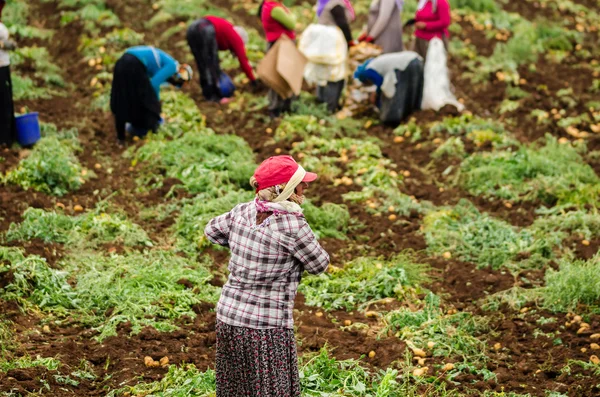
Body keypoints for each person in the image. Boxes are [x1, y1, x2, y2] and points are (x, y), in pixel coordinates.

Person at [205, 155, 329, 397]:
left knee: (236, 389)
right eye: (300, 183)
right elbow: (319, 264)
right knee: (271, 390)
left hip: (229, 318)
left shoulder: (241, 211)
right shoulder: (293, 226)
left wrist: (243, 247)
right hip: (266, 326)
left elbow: (211, 231)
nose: (306, 187)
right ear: (282, 189)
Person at [110, 46, 192, 145]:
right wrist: (156, 105)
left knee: (122, 97)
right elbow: (154, 84)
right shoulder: (172, 66)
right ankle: (150, 128)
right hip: (135, 64)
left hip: (122, 61)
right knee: (147, 100)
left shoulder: (165, 61)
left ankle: (121, 138)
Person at [187, 16, 256, 103]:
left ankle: (208, 94)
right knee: (211, 64)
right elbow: (243, 60)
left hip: (192, 29)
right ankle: (216, 97)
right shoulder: (236, 36)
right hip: (206, 30)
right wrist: (253, 79)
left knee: (202, 64)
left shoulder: (227, 29)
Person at [354, 51, 424, 125]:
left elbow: (380, 85)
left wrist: (376, 97)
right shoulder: (375, 63)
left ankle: (396, 119)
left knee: (401, 93)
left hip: (406, 65)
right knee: (413, 90)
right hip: (416, 59)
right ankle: (413, 114)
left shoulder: (368, 71)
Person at [314, 0, 356, 112]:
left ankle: (323, 102)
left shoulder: (328, 2)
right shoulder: (335, 4)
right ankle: (330, 106)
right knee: (335, 74)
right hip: (332, 42)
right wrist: (350, 41)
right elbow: (342, 23)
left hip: (326, 41)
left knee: (325, 71)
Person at [258, 1, 297, 117]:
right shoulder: (275, 9)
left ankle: (282, 107)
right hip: (280, 45)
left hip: (278, 44)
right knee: (279, 77)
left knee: (283, 76)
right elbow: (292, 24)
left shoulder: (268, 5)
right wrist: (292, 15)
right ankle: (277, 109)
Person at [0, 0, 17, 146]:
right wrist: (3, 44)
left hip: (4, 65)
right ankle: (4, 139)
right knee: (3, 102)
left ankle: (7, 137)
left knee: (6, 101)